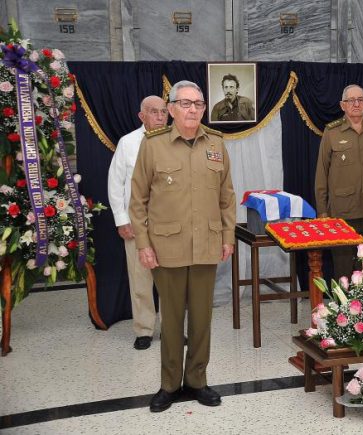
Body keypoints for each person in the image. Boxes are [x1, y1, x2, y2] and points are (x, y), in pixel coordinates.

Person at [130, 80, 236, 412]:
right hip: (167, 248)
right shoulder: (153, 145)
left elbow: (227, 197)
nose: (192, 110)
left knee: (202, 319)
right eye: (185, 104)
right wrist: (144, 245)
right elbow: (137, 201)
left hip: (206, 244)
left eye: (198, 104)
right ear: (172, 108)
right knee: (173, 320)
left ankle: (197, 380)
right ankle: (169, 384)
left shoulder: (216, 144)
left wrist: (228, 237)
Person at [107, 95, 168, 351]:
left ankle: (172, 329)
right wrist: (122, 220)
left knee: (171, 281)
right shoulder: (128, 142)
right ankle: (144, 330)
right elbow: (115, 183)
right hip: (137, 223)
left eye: (164, 111)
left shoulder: (176, 140)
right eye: (154, 112)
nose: (160, 116)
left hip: (169, 224)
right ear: (141, 115)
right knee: (140, 278)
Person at [314, 84, 363, 279]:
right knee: (342, 268)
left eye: (360, 100)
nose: (356, 104)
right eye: (351, 100)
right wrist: (322, 211)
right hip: (342, 213)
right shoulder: (332, 132)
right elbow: (321, 174)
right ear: (343, 105)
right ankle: (343, 308)